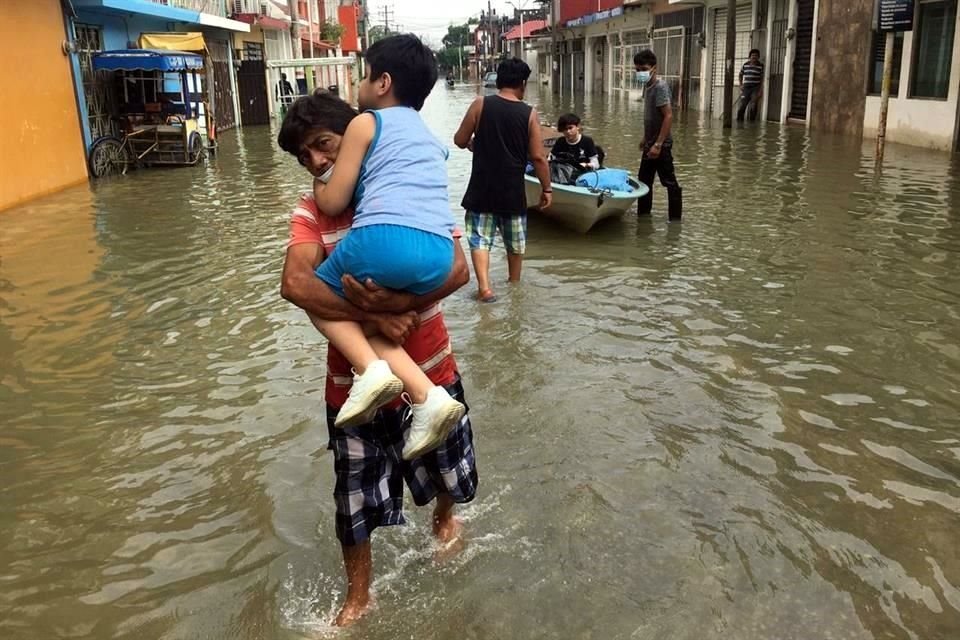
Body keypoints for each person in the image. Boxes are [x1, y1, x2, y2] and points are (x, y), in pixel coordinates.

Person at [278, 91, 478, 628]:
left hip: (432, 369)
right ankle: (359, 596)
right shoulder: (309, 211)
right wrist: (380, 319)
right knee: (353, 502)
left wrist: (397, 306)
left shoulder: (402, 188)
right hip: (353, 389)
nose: (317, 162)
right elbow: (295, 283)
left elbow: (458, 269)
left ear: (357, 134)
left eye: (323, 145)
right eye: (306, 157)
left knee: (447, 473)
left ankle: (444, 523)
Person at [306, 34, 465, 460]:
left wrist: (318, 187)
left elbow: (336, 200)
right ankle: (427, 398)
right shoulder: (430, 138)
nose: (358, 83)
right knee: (374, 319)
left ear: (383, 83)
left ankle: (372, 370)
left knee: (317, 296)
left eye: (364, 74)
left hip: (383, 239)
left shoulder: (365, 123)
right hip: (437, 254)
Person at [454, 57, 551, 303]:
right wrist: (547, 189)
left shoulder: (479, 105)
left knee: (480, 239)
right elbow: (538, 157)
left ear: (499, 81)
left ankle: (485, 288)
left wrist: (475, 144)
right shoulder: (529, 114)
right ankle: (514, 284)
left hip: (481, 188)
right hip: (512, 190)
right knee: (515, 242)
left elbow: (459, 139)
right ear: (522, 83)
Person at [634, 49, 682, 222]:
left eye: (643, 69)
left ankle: (675, 221)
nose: (640, 73)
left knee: (669, 183)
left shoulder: (660, 87)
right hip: (650, 143)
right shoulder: (647, 86)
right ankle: (643, 217)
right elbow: (651, 116)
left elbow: (668, 116)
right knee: (644, 182)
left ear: (654, 68)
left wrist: (658, 144)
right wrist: (646, 138)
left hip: (661, 146)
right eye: (637, 69)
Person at [738, 49, 764, 122]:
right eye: (752, 55)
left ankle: (752, 124)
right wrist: (740, 85)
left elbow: (762, 79)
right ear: (750, 57)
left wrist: (760, 90)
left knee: (754, 105)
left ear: (758, 57)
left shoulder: (761, 66)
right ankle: (739, 123)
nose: (754, 57)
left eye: (756, 55)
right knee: (742, 106)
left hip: (755, 88)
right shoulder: (745, 65)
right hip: (746, 88)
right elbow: (740, 75)